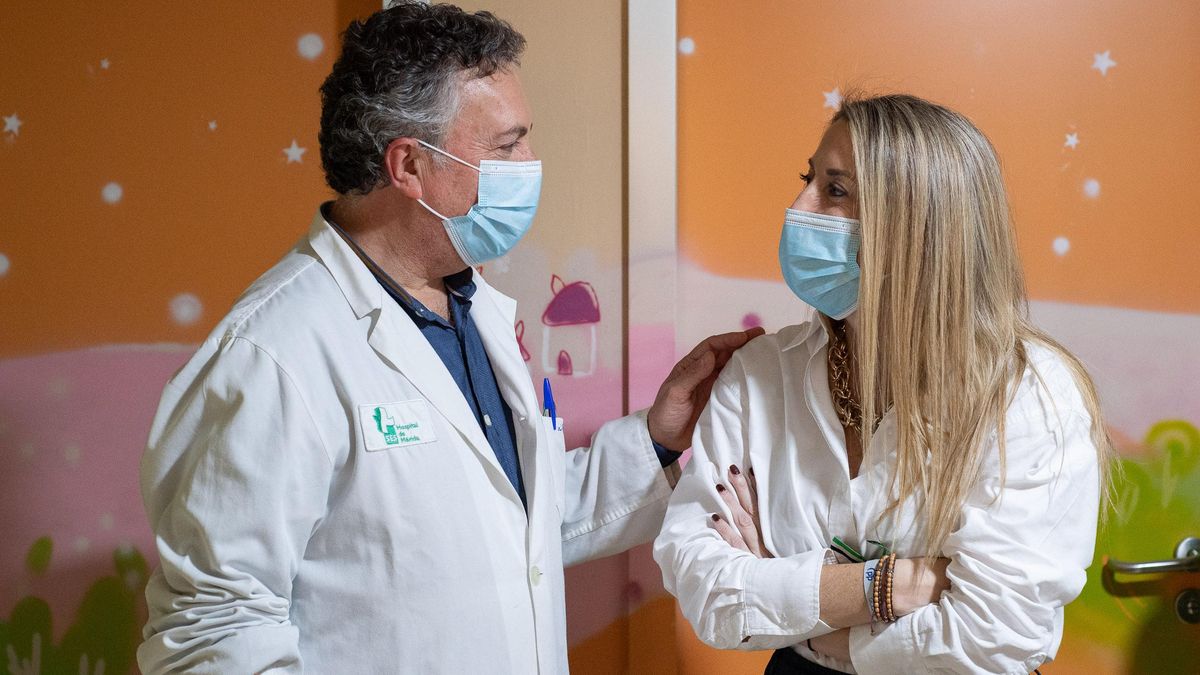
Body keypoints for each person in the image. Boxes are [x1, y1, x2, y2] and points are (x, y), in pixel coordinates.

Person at [136, 3, 761, 673]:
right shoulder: (273, 357)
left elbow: (512, 522)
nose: (531, 163)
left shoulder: (474, 305)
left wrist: (657, 437)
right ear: (408, 165)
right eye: (507, 145)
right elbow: (215, 634)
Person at [654, 94, 1113, 674]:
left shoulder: (1027, 394)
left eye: (836, 190)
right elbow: (709, 594)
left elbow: (998, 634)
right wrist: (888, 586)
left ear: (921, 226)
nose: (799, 207)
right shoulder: (758, 374)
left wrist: (803, 610)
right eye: (809, 179)